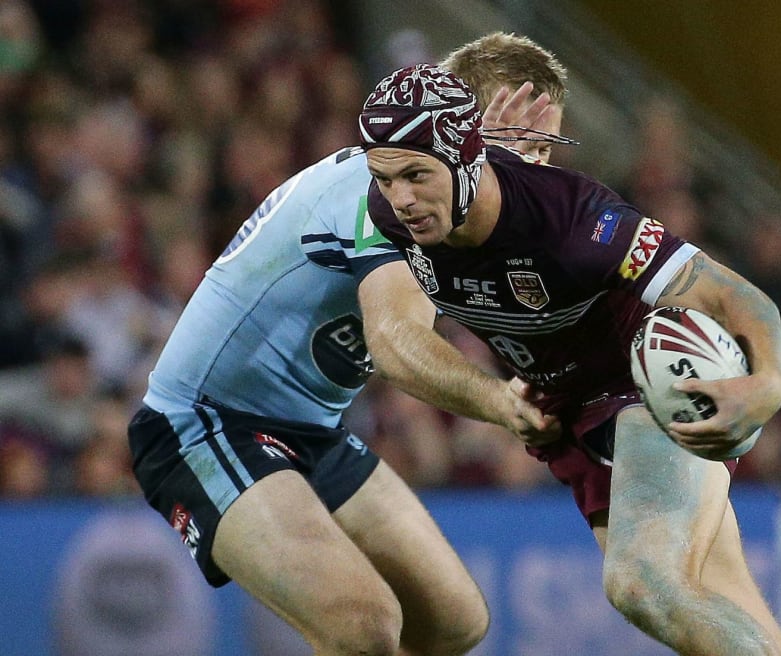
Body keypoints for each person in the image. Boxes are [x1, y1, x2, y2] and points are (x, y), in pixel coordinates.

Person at [358, 64, 781, 655]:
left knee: (643, 584)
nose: (402, 199)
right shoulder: (390, 215)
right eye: (385, 178)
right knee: (735, 631)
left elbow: (725, 292)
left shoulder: (570, 219)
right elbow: (391, 335)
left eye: (416, 175)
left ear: (465, 158)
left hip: (645, 381)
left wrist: (768, 382)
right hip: (564, 412)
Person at [126, 36, 565, 655]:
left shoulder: (462, 203)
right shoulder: (386, 195)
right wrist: (501, 403)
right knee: (363, 626)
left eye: (544, 147)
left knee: (454, 622)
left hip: (312, 431)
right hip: (206, 424)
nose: (535, 167)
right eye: (515, 142)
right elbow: (394, 341)